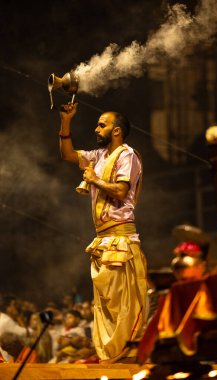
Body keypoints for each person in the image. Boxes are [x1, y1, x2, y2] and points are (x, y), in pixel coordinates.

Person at [57, 102, 147, 362]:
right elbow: (68, 155)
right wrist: (66, 121)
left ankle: (124, 359)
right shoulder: (99, 156)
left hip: (121, 239)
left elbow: (120, 191)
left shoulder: (127, 155)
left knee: (123, 306)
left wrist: (93, 179)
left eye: (102, 124)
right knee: (105, 306)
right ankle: (109, 358)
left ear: (116, 131)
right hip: (103, 241)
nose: (96, 128)